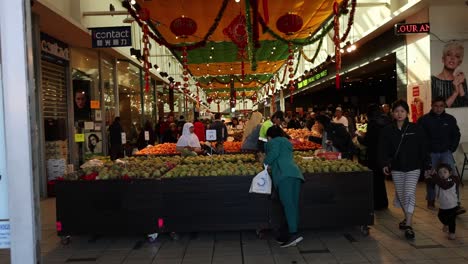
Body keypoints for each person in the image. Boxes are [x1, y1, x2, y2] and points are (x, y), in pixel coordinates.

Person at [378, 99, 428, 240]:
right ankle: (407, 219)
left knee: (409, 194)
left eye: (402, 111)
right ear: (392, 113)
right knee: (401, 195)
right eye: (396, 111)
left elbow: (423, 147)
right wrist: (384, 164)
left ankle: (409, 225)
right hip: (397, 168)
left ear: (407, 113)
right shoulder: (387, 130)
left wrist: (427, 165)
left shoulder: (415, 128)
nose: (399, 114)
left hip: (413, 167)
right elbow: (383, 150)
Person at [417, 96, 465, 213]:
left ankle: (456, 202)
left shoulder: (450, 119)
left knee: (453, 176)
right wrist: (425, 153)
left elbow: (456, 135)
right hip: (431, 153)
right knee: (430, 176)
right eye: (436, 106)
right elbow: (419, 138)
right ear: (432, 106)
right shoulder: (424, 120)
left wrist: (451, 149)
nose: (438, 109)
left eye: (441, 106)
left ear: (445, 107)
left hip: (446, 152)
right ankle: (431, 200)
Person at [263, 125, 304, 248]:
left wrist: (265, 162)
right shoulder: (287, 141)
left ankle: (293, 234)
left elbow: (274, 154)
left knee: (288, 205)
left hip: (283, 176)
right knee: (293, 205)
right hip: (296, 174)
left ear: (269, 136)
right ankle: (288, 233)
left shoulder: (272, 142)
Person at [357, 104, 392, 210]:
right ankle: (384, 202)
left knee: (375, 180)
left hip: (373, 155)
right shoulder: (387, 121)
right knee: (381, 179)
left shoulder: (372, 123)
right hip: (384, 154)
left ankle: (377, 204)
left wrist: (359, 138)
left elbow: (368, 141)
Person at [425, 163, 461, 240]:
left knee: (452, 220)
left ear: (450, 173)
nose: (442, 174)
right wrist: (428, 177)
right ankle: (445, 224)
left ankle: (452, 233)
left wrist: (435, 176)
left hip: (452, 205)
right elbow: (431, 184)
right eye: (440, 172)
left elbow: (444, 186)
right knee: (440, 216)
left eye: (445, 172)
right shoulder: (439, 181)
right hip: (443, 205)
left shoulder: (451, 181)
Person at [431, 41, 468, 108]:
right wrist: (455, 93)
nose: (452, 58)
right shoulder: (433, 80)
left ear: (459, 62)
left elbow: (465, 106)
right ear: (443, 59)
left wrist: (460, 85)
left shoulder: (461, 80)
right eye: (449, 54)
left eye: (457, 56)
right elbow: (437, 110)